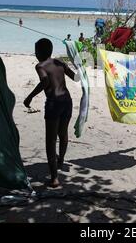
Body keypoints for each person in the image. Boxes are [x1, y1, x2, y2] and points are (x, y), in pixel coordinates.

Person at [23, 38, 78, 188]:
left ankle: (54, 178)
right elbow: (75, 77)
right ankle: (60, 162)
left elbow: (45, 81)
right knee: (63, 134)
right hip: (67, 101)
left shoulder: (40, 65)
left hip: (54, 103)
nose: (35, 54)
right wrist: (83, 68)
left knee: (51, 141)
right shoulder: (59, 62)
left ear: (40, 52)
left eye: (36, 51)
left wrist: (30, 97)